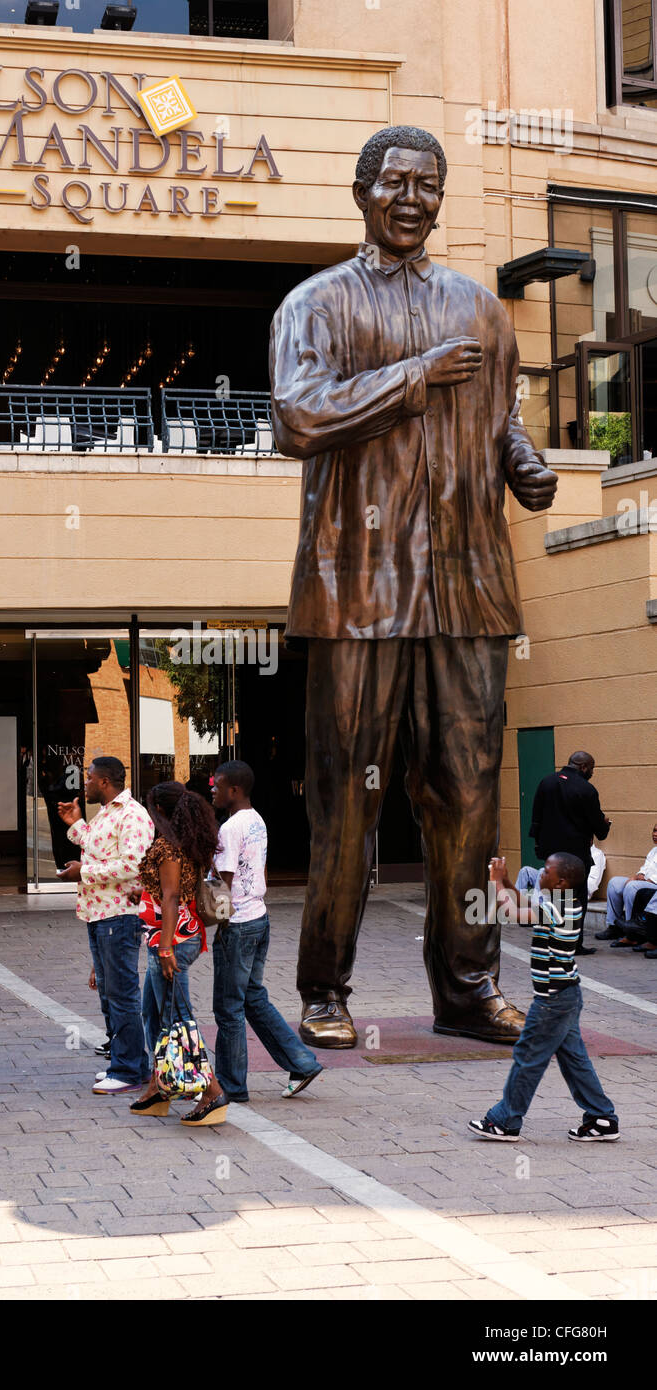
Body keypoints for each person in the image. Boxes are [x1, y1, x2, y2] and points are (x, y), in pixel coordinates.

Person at [269, 126, 558, 1048]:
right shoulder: (315, 304)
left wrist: (524, 463)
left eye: (425, 185)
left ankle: (468, 986)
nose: (409, 197)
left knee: (471, 795)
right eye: (392, 181)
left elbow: (498, 417)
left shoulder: (481, 308)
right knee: (345, 795)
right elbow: (299, 416)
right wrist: (414, 378)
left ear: (441, 197)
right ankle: (325, 988)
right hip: (358, 591)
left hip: (468, 587)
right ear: (361, 191)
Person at [469, 852, 619, 1143]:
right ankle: (602, 1117)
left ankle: (504, 1121)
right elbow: (522, 902)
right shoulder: (560, 903)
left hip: (552, 1001)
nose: (541, 873)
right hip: (566, 996)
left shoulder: (557, 910)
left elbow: (508, 913)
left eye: (547, 871)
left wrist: (494, 882)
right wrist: (509, 883)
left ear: (561, 882)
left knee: (528, 1056)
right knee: (574, 1060)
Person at [211, 760, 322, 1101]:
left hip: (239, 924)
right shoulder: (257, 820)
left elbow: (222, 885)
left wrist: (209, 922)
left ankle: (231, 1085)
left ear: (234, 790)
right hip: (259, 918)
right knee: (253, 998)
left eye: (217, 786)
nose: (212, 791)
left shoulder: (230, 829)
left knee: (228, 1007)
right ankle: (302, 1061)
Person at [128, 781, 228, 1126]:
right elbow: (165, 892)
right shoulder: (180, 843)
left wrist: (166, 946)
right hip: (168, 938)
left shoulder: (168, 848)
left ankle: (212, 1092)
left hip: (171, 943)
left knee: (178, 1019)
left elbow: (171, 897)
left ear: (159, 809)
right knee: (152, 1014)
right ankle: (160, 1085)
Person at [57, 756, 154, 1095]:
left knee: (122, 994)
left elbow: (132, 864)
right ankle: (132, 1064)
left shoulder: (133, 815)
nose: (84, 782)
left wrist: (81, 872)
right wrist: (76, 824)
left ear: (104, 781)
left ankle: (127, 1069)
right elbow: (99, 851)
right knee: (110, 995)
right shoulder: (108, 814)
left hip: (119, 917)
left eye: (89, 777)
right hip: (99, 914)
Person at [529, 751, 611, 955]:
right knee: (577, 900)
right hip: (576, 856)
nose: (592, 772)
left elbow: (536, 818)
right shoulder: (586, 789)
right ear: (583, 767)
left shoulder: (546, 782)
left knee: (555, 897)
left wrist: (539, 846)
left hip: (551, 854)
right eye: (591, 768)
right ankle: (573, 943)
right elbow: (598, 829)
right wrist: (605, 824)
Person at [599, 821, 657, 951]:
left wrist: (646, 880)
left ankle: (631, 932)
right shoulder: (654, 850)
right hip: (644, 882)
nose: (654, 834)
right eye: (654, 830)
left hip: (653, 885)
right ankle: (614, 927)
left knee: (632, 886)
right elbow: (644, 869)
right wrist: (638, 875)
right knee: (614, 883)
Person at [515, 845, 606, 904]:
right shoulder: (572, 848)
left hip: (570, 889)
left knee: (542, 870)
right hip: (557, 884)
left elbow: (592, 885)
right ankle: (515, 903)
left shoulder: (597, 854)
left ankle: (536, 907)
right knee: (525, 871)